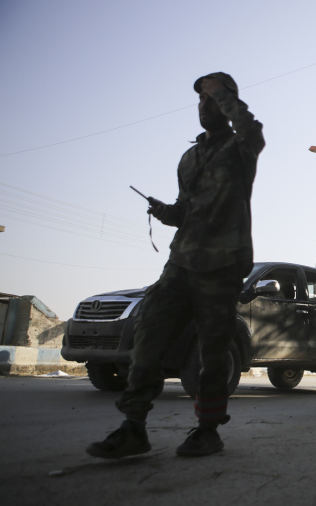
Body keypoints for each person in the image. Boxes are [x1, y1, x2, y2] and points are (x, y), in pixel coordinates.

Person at [87, 72, 264, 459]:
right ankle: (133, 427)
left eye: (211, 98)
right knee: (149, 333)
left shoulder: (241, 147)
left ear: (228, 102)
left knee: (213, 351)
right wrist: (166, 212)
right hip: (181, 262)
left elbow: (252, 129)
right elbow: (186, 209)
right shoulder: (189, 157)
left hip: (222, 266)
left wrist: (223, 94)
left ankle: (207, 430)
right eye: (200, 99)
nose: (204, 105)